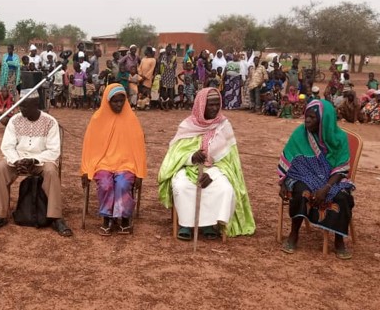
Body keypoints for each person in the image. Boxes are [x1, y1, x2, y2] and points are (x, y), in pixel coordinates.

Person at [158, 88, 256, 240]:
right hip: (186, 168)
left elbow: (231, 160)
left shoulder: (224, 125)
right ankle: (186, 224)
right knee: (182, 187)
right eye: (210, 105)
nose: (214, 108)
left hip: (216, 169)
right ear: (201, 104)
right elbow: (174, 155)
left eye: (217, 104)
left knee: (224, 189)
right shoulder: (187, 126)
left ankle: (210, 224)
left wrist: (211, 174)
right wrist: (191, 157)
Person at [0, 89, 72, 236]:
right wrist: (16, 160)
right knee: (0, 168)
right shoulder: (14, 120)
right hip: (18, 160)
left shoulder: (50, 122)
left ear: (36, 104)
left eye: (25, 106)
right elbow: (7, 146)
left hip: (41, 161)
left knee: (51, 171)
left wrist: (35, 160)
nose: (21, 108)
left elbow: (54, 150)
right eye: (20, 105)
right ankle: (0, 215)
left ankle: (56, 217)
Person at [279, 100, 355, 260]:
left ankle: (339, 240)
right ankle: (293, 234)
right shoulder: (300, 133)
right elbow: (289, 160)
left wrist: (326, 187)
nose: (307, 120)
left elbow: (342, 169)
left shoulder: (339, 138)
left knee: (342, 196)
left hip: (332, 179)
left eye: (312, 118)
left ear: (324, 120)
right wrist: (284, 182)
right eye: (306, 116)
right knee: (301, 191)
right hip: (305, 176)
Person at [81, 84, 147, 235]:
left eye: (121, 101)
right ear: (107, 101)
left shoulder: (131, 120)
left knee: (123, 183)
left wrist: (140, 173)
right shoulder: (97, 119)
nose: (118, 104)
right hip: (102, 163)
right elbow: (89, 147)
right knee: (105, 184)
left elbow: (139, 149)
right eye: (115, 101)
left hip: (126, 164)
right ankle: (107, 217)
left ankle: (124, 217)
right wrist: (85, 170)